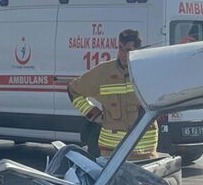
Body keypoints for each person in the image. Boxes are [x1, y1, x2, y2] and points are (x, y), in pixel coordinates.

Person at [67, 29, 157, 159]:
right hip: (111, 154)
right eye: (120, 48)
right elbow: (73, 90)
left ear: (138, 50)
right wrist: (94, 115)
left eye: (128, 50)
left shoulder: (148, 71)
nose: (122, 54)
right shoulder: (103, 72)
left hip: (145, 154)